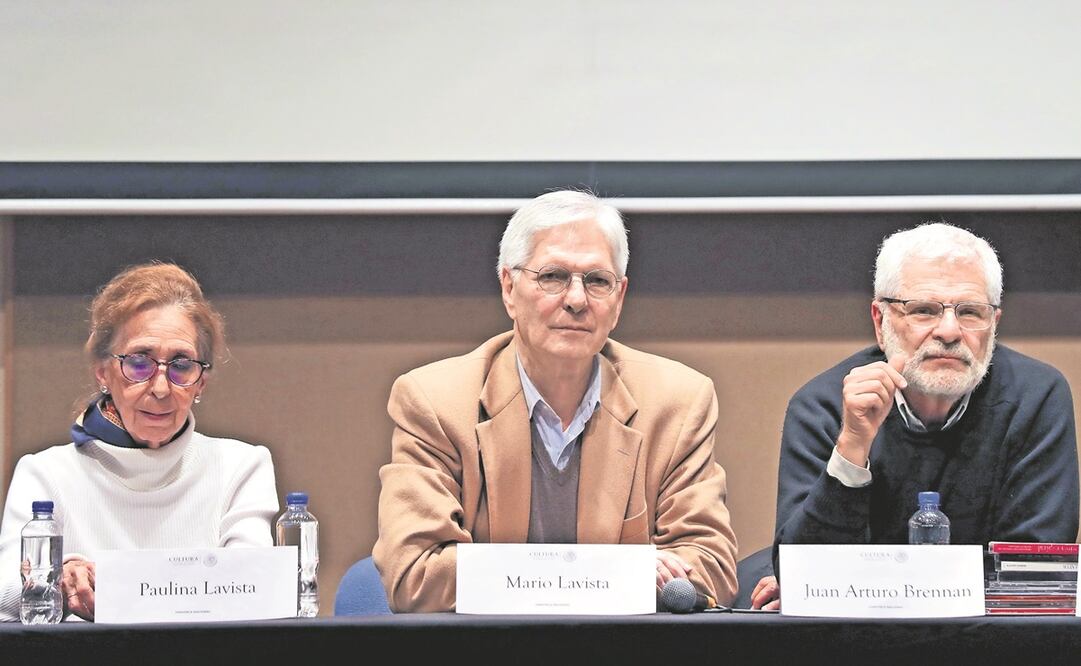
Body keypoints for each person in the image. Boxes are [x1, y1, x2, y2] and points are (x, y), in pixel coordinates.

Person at [373, 190, 738, 612]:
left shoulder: (677, 402)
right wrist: (612, 572)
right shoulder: (436, 402)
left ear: (618, 299)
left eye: (597, 281)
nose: (577, 300)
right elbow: (414, 576)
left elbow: (711, 571)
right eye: (553, 277)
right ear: (509, 287)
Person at [751, 222, 1079, 610]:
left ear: (994, 323)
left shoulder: (1036, 397)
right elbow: (806, 574)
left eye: (971, 312)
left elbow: (1033, 576)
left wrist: (886, 587)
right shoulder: (824, 405)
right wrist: (853, 447)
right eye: (924, 310)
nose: (949, 331)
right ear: (880, 321)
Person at [0, 262, 280, 621]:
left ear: (201, 383)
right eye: (138, 363)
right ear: (103, 372)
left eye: (181, 366)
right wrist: (54, 580)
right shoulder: (46, 473)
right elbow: (5, 593)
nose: (161, 388)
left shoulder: (241, 466)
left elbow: (252, 590)